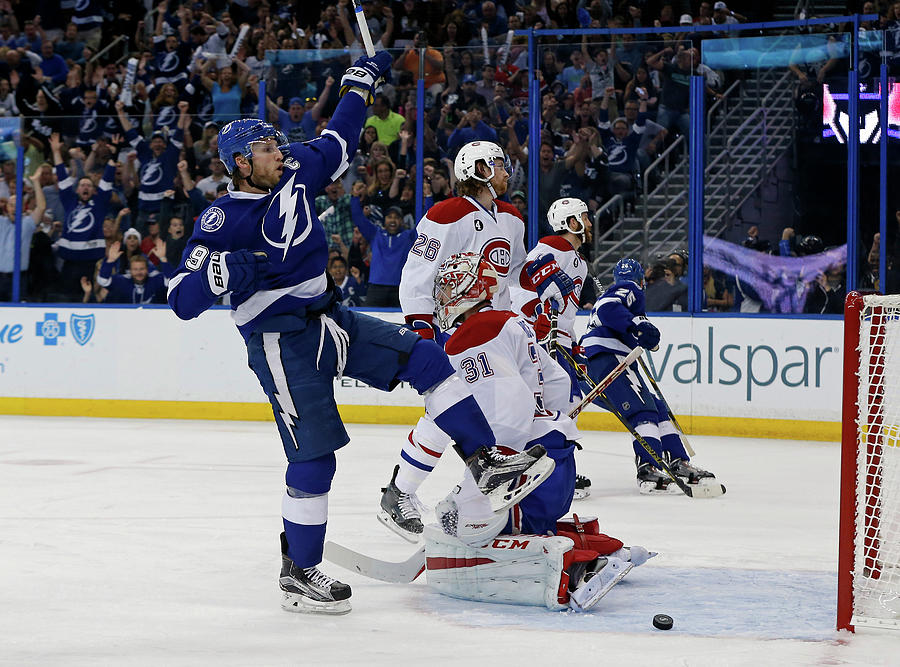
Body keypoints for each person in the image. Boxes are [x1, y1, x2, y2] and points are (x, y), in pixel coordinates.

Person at [166, 52, 549, 616]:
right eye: (268, 148)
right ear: (241, 164)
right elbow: (180, 298)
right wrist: (215, 276)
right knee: (316, 460)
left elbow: (339, 138)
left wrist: (358, 84)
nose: (281, 150)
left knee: (428, 360)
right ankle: (300, 570)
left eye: (277, 144)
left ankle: (484, 462)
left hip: (329, 319)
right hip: (280, 340)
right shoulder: (222, 220)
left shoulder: (295, 168)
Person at [424, 252, 651, 612]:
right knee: (515, 519)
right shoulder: (514, 323)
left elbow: (507, 411)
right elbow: (559, 382)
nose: (444, 295)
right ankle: (598, 546)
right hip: (558, 451)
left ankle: (575, 566)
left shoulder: (470, 335)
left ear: (471, 289)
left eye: (451, 285)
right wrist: (546, 418)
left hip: (529, 468)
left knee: (468, 525)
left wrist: (488, 471)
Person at [384, 141, 569, 541]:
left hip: (499, 328)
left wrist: (534, 303)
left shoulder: (513, 218)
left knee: (500, 408)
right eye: (500, 164)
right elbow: (417, 275)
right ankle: (407, 494)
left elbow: (517, 274)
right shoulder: (447, 214)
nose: (507, 171)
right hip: (456, 328)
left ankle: (468, 498)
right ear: (480, 167)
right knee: (458, 409)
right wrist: (422, 331)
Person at [580, 258, 719, 493]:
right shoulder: (631, 289)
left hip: (606, 362)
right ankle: (648, 468)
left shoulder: (621, 297)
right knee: (643, 411)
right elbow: (608, 310)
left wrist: (642, 334)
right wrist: (636, 326)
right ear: (642, 280)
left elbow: (627, 322)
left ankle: (677, 461)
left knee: (656, 408)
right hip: (609, 359)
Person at [511, 197, 592, 498]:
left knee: (567, 402)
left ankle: (556, 463)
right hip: (539, 339)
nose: (589, 223)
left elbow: (566, 311)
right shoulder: (553, 245)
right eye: (584, 217)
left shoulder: (579, 263)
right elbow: (523, 278)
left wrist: (573, 344)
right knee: (547, 403)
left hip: (559, 339)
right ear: (571, 222)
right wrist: (536, 315)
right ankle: (544, 464)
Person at [49, 132, 118, 299]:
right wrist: (56, 151)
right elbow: (62, 176)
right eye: (82, 185)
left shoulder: (99, 203)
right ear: (77, 189)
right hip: (69, 262)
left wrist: (114, 154)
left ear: (93, 190)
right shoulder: (69, 200)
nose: (85, 187)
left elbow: (107, 178)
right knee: (67, 298)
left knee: (89, 297)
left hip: (91, 262)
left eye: (88, 185)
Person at [350, 202, 417, 307]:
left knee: (402, 321)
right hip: (376, 288)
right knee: (369, 320)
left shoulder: (408, 236)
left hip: (400, 288)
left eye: (396, 217)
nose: (393, 220)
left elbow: (425, 225)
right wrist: (354, 198)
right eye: (389, 217)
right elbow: (358, 219)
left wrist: (428, 197)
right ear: (384, 220)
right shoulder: (375, 234)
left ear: (402, 221)